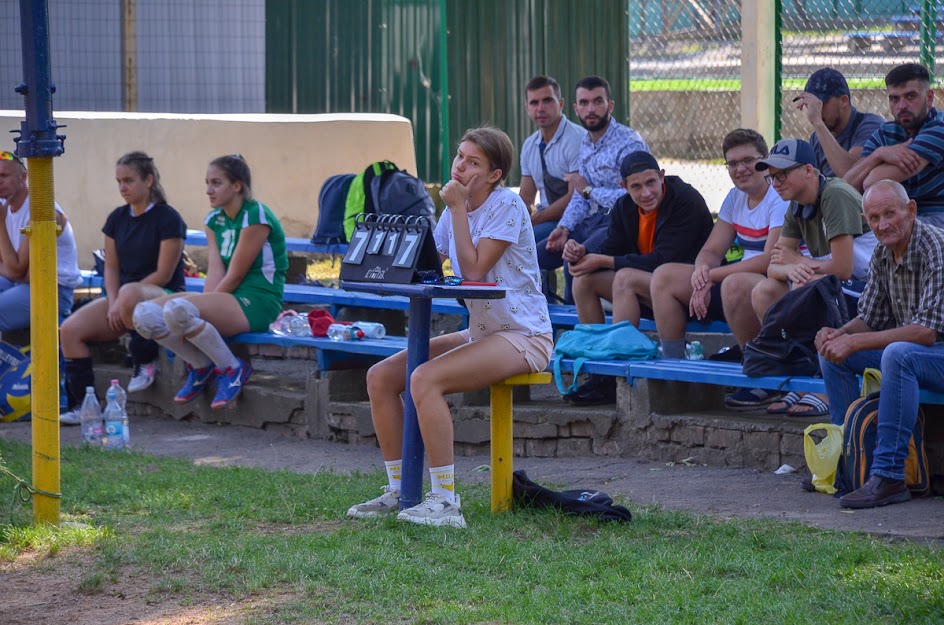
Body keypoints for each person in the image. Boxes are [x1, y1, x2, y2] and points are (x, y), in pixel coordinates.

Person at [346, 127, 553, 528]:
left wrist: (457, 209)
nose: (460, 166)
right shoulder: (454, 208)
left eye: (473, 162)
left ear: (495, 174)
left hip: (524, 334)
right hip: (483, 331)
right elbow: (431, 260)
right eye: (460, 156)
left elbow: (474, 272)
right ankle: (399, 490)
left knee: (423, 379)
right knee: (381, 377)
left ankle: (445, 502)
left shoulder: (507, 205)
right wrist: (393, 273)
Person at [817, 179, 944, 509]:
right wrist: (839, 334)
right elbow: (870, 318)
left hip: (932, 352)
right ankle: (848, 467)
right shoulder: (882, 252)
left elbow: (926, 333)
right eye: (874, 218)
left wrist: (855, 340)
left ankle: (888, 476)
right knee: (833, 353)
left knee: (898, 354)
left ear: (911, 210)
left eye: (890, 214)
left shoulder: (935, 247)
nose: (882, 224)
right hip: (919, 355)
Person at [726, 139, 877, 412]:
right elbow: (774, 267)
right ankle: (799, 373)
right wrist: (792, 266)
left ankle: (825, 387)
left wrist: (797, 262)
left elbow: (843, 269)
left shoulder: (835, 194)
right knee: (766, 290)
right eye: (772, 177)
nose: (777, 182)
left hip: (869, 291)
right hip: (836, 288)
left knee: (809, 282)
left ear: (809, 170)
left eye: (783, 174)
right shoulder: (795, 204)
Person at [132, 154, 287, 410]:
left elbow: (236, 275)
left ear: (236, 186)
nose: (208, 190)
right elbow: (215, 271)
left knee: (178, 311)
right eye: (207, 182)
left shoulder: (255, 215)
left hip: (258, 301)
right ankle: (201, 366)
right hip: (228, 297)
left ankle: (233, 369)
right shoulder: (214, 220)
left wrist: (192, 313)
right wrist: (195, 312)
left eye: (216, 183)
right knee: (144, 315)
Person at [563, 150, 713, 405]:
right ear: (624, 187)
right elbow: (612, 246)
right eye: (636, 186)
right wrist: (582, 252)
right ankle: (600, 374)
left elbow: (663, 260)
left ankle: (617, 372)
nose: (646, 193)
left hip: (690, 292)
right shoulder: (625, 206)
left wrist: (602, 260)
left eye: (651, 183)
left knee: (626, 278)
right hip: (650, 289)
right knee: (584, 280)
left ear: (662, 177)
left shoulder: (685, 200)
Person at [59, 152, 188, 424]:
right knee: (69, 330)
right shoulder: (117, 218)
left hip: (164, 295)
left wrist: (123, 298)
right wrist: (114, 299)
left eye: (129, 180)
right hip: (125, 298)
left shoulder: (168, 219)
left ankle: (145, 359)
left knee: (130, 292)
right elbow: (111, 268)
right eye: (119, 181)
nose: (122, 187)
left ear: (149, 180)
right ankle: (82, 405)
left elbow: (164, 275)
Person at [650, 129, 788, 361]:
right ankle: (673, 370)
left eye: (747, 161)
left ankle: (757, 364)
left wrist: (712, 276)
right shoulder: (735, 197)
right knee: (664, 277)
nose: (740, 169)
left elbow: (768, 260)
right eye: (732, 164)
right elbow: (712, 250)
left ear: (765, 161)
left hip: (772, 286)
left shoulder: (778, 197)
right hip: (735, 286)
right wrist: (702, 272)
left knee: (734, 284)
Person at [536, 75, 648, 304]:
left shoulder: (629, 143)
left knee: (574, 259)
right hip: (591, 221)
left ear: (610, 105)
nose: (591, 109)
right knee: (535, 255)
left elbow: (636, 197)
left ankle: (577, 332)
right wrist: (564, 227)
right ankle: (540, 330)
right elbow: (580, 196)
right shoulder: (587, 142)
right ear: (576, 108)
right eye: (584, 103)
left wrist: (589, 191)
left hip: (622, 223)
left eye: (598, 101)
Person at [844, 63, 944, 228]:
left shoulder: (939, 128)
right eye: (894, 99)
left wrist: (873, 165)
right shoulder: (885, 133)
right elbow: (846, 187)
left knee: (893, 225)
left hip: (937, 217)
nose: (902, 106)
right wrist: (879, 154)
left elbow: (870, 182)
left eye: (910, 97)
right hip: (897, 216)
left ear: (930, 97)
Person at [0, 150, 82, 332]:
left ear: (24, 177)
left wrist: (0, 224)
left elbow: (14, 269)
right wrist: (14, 271)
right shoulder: (4, 207)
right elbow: (15, 270)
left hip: (55, 290)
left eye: (4, 175)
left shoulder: (42, 211)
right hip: (21, 283)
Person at [518, 75, 585, 245]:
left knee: (525, 243)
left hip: (578, 220)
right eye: (534, 103)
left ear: (561, 103)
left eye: (547, 101)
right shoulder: (529, 145)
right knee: (506, 239)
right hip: (546, 220)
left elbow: (574, 197)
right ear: (526, 108)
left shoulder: (577, 139)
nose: (540, 108)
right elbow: (526, 198)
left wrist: (533, 221)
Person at [794, 67, 884, 178]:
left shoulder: (871, 126)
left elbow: (851, 178)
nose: (816, 110)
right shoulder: (818, 137)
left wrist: (817, 122)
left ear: (844, 101)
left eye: (821, 103)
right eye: (811, 105)